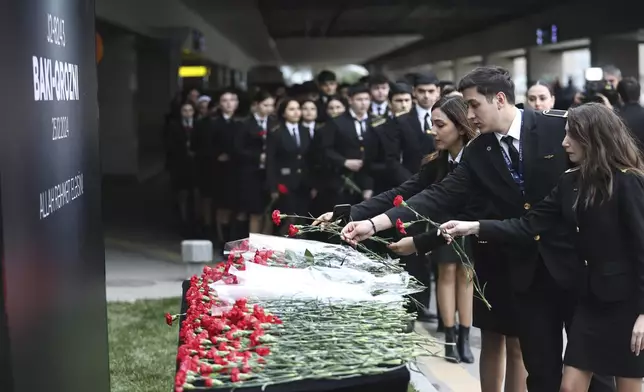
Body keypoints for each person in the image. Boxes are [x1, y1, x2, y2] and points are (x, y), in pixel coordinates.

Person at [341, 66, 615, 392]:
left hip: (574, 265)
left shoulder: (557, 127)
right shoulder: (479, 150)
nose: (469, 115)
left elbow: (606, 178)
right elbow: (437, 195)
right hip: (523, 273)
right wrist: (374, 223)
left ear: (499, 99)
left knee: (595, 371)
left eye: (473, 105)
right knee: (541, 370)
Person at [441, 103, 644, 392]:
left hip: (627, 304)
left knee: (627, 386)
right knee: (570, 386)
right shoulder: (570, 181)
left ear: (592, 137)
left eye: (571, 136)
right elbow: (528, 225)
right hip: (590, 301)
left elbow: (641, 249)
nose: (563, 143)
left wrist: (643, 313)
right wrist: (474, 226)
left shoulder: (629, 181)